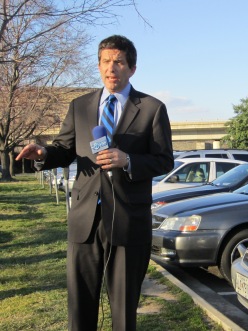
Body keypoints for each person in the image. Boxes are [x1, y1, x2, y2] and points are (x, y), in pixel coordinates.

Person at [16, 35, 174, 330]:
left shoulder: (152, 109)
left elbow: (164, 160)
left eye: (118, 62)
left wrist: (127, 160)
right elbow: (64, 150)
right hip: (85, 220)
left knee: (124, 312)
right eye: (105, 61)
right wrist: (43, 153)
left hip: (128, 221)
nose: (111, 68)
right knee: (80, 307)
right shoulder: (80, 106)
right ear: (98, 65)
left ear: (132, 68)